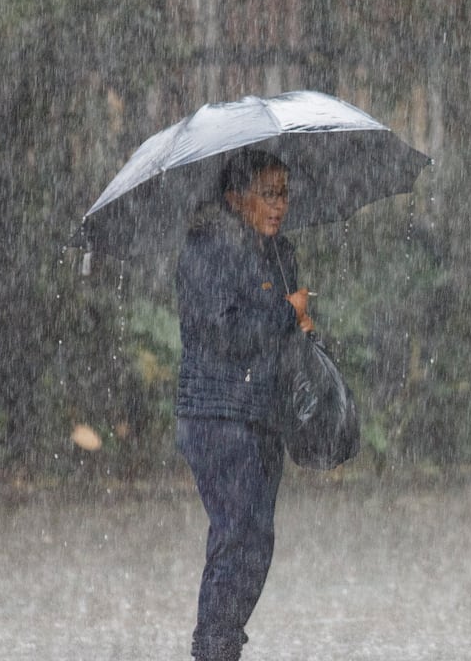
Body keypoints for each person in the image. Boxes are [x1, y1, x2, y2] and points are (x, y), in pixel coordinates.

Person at [174, 148, 313, 661]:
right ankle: (214, 647)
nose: (280, 205)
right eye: (268, 194)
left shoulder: (280, 253)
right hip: (217, 415)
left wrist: (302, 328)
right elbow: (222, 332)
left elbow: (278, 334)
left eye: (284, 193)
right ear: (235, 198)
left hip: (262, 414)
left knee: (256, 542)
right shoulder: (207, 249)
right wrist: (285, 314)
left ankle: (222, 641)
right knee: (237, 538)